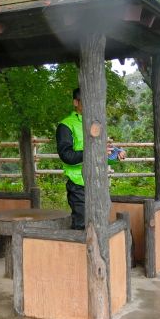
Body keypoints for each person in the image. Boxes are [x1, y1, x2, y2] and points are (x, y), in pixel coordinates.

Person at [56, 87, 126, 230]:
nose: (89, 105)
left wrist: (115, 155)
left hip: (99, 183)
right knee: (82, 227)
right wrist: (93, 151)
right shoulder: (65, 125)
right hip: (78, 185)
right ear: (76, 102)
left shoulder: (96, 123)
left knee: (101, 224)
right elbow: (66, 156)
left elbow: (100, 155)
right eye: (85, 101)